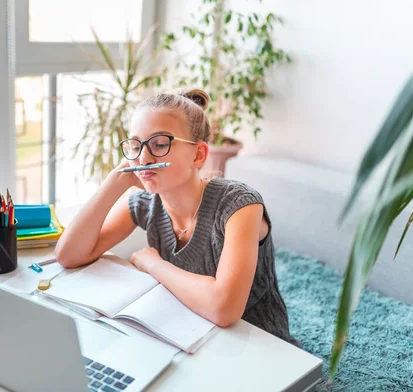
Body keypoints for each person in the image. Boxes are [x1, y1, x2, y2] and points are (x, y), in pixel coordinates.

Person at [55, 88, 298, 346]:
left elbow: (224, 309)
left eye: (160, 144)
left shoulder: (240, 205)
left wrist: (153, 264)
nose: (143, 158)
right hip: (187, 336)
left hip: (259, 346)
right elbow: (68, 255)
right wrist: (112, 184)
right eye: (136, 145)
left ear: (198, 155)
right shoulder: (144, 204)